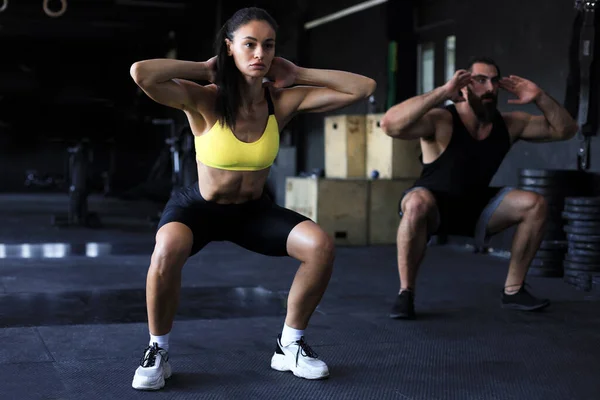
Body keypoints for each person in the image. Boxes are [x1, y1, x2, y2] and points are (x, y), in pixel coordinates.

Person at [128, 7, 376, 390]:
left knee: (320, 246)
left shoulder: (281, 102)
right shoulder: (205, 100)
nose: (260, 54)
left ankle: (289, 344)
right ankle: (157, 350)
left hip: (253, 212)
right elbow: (140, 73)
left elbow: (363, 88)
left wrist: (299, 74)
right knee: (166, 248)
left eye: (268, 46)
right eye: (249, 45)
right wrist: (204, 68)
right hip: (200, 209)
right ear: (230, 48)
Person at [380, 56, 578, 320]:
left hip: (477, 207)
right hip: (432, 206)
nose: (490, 88)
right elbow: (390, 124)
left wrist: (539, 97)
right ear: (464, 87)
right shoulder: (441, 120)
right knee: (415, 203)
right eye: (481, 81)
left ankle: (513, 290)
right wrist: (442, 92)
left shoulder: (509, 124)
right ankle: (406, 293)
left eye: (494, 81)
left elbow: (566, 130)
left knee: (535, 203)